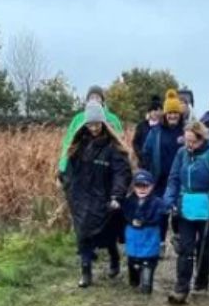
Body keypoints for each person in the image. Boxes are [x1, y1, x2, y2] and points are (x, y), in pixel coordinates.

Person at [61, 101, 132, 288]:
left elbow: (121, 173)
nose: (93, 128)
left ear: (103, 123)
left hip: (105, 197)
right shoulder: (78, 146)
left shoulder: (113, 148)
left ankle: (114, 258)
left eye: (97, 124)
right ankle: (85, 271)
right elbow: (69, 170)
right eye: (90, 124)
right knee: (83, 234)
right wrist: (67, 185)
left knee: (107, 234)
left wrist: (116, 195)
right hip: (82, 197)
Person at [162, 121, 209, 304]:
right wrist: (169, 200)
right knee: (185, 249)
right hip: (187, 209)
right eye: (186, 141)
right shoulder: (181, 154)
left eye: (192, 141)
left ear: (202, 139)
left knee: (204, 247)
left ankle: (201, 282)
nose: (189, 145)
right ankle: (181, 288)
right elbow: (174, 178)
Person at [141, 89, 186, 247]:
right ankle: (160, 243)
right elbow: (146, 152)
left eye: (176, 112)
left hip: (180, 179)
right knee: (161, 213)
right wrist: (148, 172)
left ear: (180, 114)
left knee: (178, 212)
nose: (173, 116)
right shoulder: (156, 132)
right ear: (165, 114)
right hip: (160, 179)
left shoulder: (185, 131)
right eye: (170, 113)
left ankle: (179, 237)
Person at [58, 85, 125, 173]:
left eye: (97, 97)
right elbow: (69, 142)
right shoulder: (78, 118)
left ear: (102, 100)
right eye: (91, 97)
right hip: (83, 164)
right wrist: (63, 166)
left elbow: (120, 140)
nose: (94, 100)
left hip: (106, 165)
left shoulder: (112, 118)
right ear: (87, 100)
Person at [123, 170, 168, 294]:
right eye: (138, 186)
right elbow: (124, 216)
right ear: (133, 187)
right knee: (133, 267)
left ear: (152, 186)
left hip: (150, 237)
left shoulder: (158, 203)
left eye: (145, 186)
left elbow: (161, 217)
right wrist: (132, 221)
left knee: (148, 265)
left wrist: (145, 221)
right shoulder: (128, 201)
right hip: (133, 238)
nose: (142, 189)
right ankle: (134, 280)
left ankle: (146, 286)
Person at [132, 95, 162, 162]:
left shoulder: (163, 126)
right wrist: (140, 154)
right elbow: (135, 142)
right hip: (144, 162)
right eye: (154, 110)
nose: (156, 113)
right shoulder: (141, 126)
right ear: (149, 112)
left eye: (159, 110)